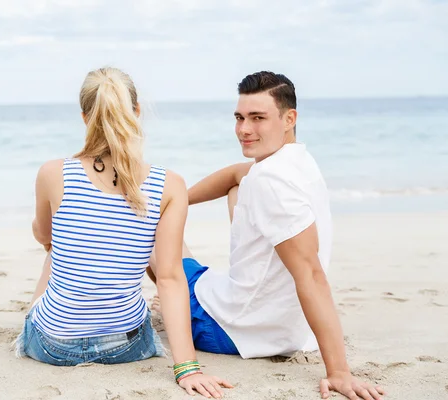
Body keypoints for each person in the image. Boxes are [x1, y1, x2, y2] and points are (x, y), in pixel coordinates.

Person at [149, 71, 385, 400]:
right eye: (240, 117)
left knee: (144, 224)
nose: (244, 129)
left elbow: (312, 275)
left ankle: (176, 303)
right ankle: (179, 289)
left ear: (289, 118)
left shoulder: (271, 181)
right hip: (285, 330)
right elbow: (233, 174)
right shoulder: (297, 160)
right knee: (237, 186)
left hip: (227, 329)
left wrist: (339, 373)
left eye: (258, 118)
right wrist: (178, 201)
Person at [14, 67, 232, 398]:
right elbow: (171, 278)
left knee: (54, 247)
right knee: (156, 253)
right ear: (137, 112)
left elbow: (43, 234)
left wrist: (43, 232)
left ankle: (59, 319)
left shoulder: (53, 173)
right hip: (125, 347)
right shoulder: (169, 185)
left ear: (86, 117)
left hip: (52, 346)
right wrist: (187, 367)